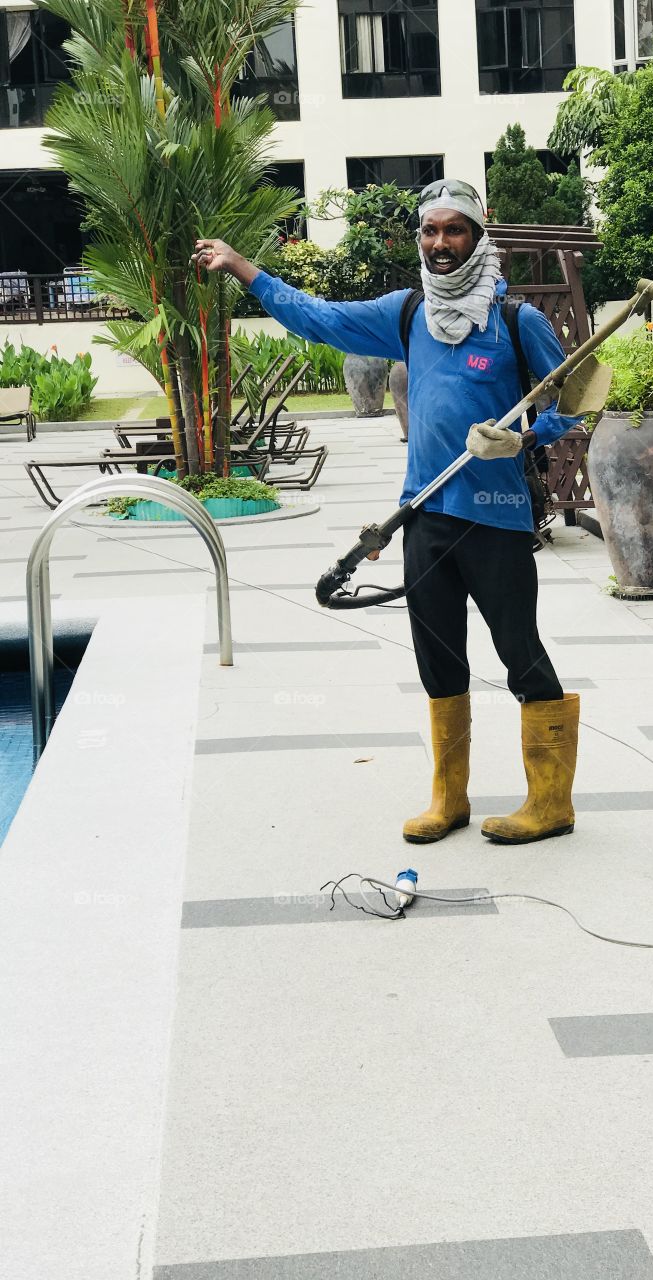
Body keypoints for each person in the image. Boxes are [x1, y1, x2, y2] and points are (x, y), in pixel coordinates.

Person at [194, 179, 581, 845]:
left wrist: (525, 438)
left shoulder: (519, 321)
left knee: (520, 653)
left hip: (496, 519)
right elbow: (320, 317)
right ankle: (448, 798)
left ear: (477, 235)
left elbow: (574, 401)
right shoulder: (408, 315)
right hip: (425, 519)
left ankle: (550, 804)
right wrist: (244, 268)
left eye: (453, 230)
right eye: (429, 231)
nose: (439, 243)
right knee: (437, 660)